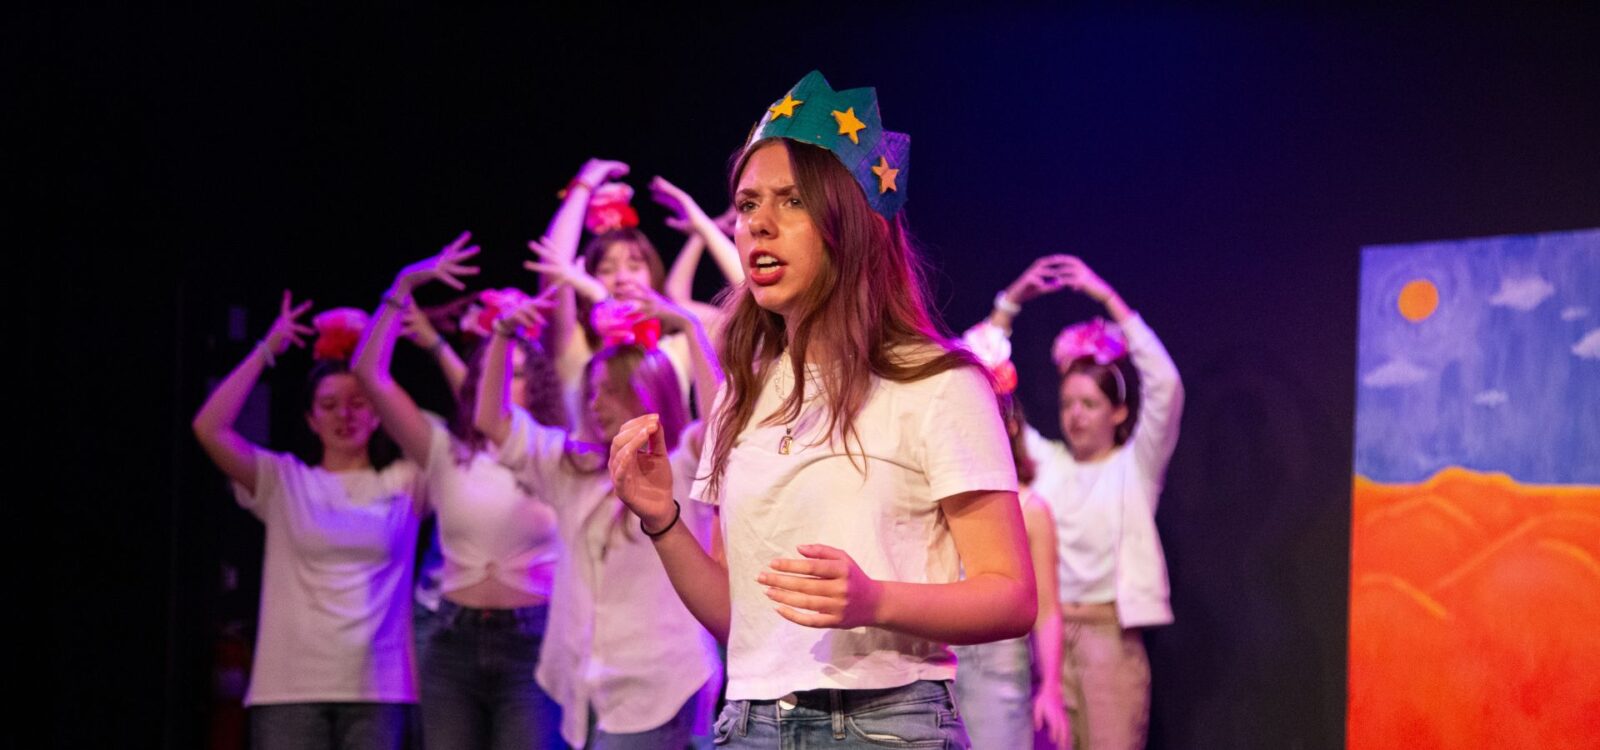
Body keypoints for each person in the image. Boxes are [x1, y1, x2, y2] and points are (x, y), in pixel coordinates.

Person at [608, 71, 1036, 748]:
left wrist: (876, 602)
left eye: (791, 201)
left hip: (885, 722)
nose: (758, 225)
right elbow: (738, 616)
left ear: (850, 223)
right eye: (748, 205)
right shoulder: (740, 397)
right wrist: (662, 520)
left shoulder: (939, 383)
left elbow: (1011, 595)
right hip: (750, 722)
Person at [474, 292, 724, 749]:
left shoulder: (681, 461)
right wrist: (502, 336)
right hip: (586, 689)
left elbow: (721, 425)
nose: (596, 402)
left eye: (611, 389)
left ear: (647, 388)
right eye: (591, 391)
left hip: (663, 685)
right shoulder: (574, 470)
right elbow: (491, 420)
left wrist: (689, 328)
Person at [352, 235, 565, 750]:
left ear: (535, 385)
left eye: (516, 375)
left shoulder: (555, 452)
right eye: (497, 373)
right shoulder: (443, 449)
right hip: (451, 640)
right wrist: (403, 286)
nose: (505, 384)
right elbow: (368, 375)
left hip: (533, 640)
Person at [192, 293, 424, 750]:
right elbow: (209, 427)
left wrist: (404, 340)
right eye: (329, 404)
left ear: (377, 411)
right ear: (310, 418)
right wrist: (265, 350)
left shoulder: (408, 480)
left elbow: (451, 441)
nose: (345, 415)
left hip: (378, 691)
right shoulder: (282, 481)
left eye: (359, 401)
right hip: (289, 691)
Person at [991, 254, 1185, 750]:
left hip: (1108, 638)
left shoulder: (1133, 467)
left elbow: (1166, 384)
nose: (1076, 415)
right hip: (1044, 639)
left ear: (1119, 411)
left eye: (1091, 404)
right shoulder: (1047, 465)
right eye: (1068, 403)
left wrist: (1106, 298)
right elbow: (981, 371)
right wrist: (1011, 301)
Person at [951, 320, 1072, 750]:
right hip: (942, 669)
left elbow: (1047, 611)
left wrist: (1052, 689)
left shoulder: (1032, 510)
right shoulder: (946, 500)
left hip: (1001, 674)